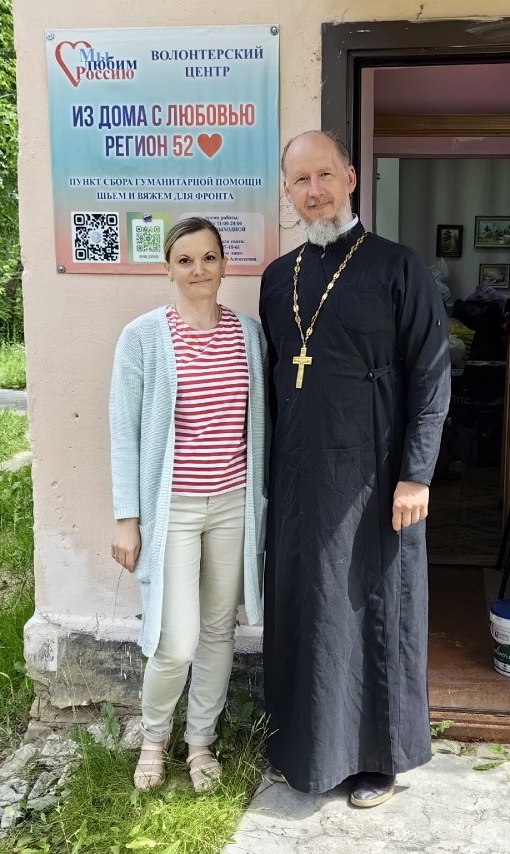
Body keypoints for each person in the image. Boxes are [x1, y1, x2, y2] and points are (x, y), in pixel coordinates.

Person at [259, 131, 450, 808]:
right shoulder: (277, 277)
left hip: (376, 474)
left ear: (349, 178)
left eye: (324, 176)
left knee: (372, 609)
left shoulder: (399, 267)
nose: (313, 191)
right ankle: (304, 750)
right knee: (307, 608)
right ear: (288, 192)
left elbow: (432, 375)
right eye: (300, 181)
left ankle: (377, 758)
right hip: (297, 476)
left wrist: (417, 474)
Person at [109, 216, 266, 794]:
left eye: (209, 258)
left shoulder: (249, 335)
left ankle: (201, 742)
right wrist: (128, 517)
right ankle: (154, 738)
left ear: (225, 264)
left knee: (219, 630)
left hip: (233, 505)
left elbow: (261, 424)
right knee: (175, 640)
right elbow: (124, 430)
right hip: (171, 509)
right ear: (168, 268)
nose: (198, 270)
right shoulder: (144, 337)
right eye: (185, 260)